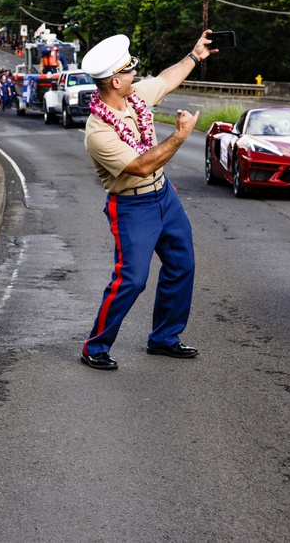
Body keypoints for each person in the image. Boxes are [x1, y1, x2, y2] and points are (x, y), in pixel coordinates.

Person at [78, 31, 214, 370]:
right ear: (114, 81)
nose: (134, 75)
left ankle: (164, 338)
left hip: (164, 195)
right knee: (132, 279)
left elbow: (166, 80)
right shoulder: (98, 132)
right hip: (132, 205)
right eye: (128, 72)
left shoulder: (135, 96)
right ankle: (95, 346)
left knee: (182, 265)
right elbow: (140, 166)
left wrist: (194, 56)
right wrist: (180, 135)